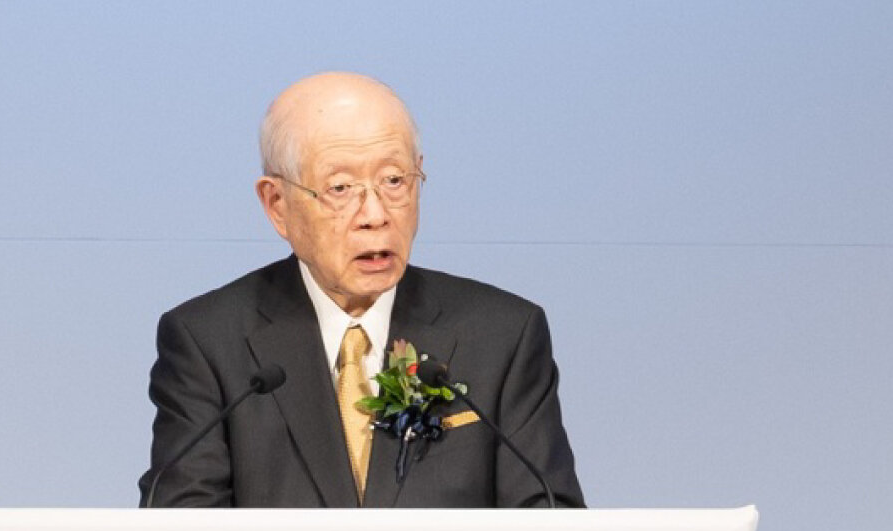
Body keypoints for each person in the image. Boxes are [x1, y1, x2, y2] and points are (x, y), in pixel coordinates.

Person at [138, 72, 583, 508]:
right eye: (340, 188)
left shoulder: (502, 336)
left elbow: (552, 528)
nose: (375, 215)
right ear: (277, 205)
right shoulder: (208, 343)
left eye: (394, 181)